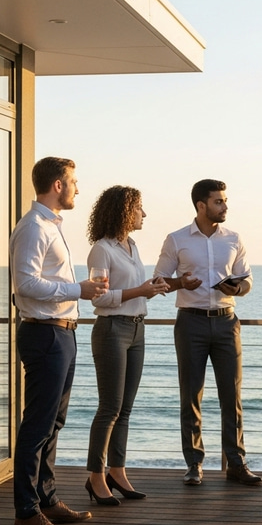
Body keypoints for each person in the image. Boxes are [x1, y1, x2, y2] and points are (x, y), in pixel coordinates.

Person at [9, 157, 107, 525]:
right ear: (57, 185)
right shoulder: (34, 227)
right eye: (74, 181)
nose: (78, 188)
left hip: (62, 333)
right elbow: (25, 284)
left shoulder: (50, 225)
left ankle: (46, 500)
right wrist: (77, 289)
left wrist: (78, 293)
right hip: (45, 334)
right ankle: (26, 512)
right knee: (37, 425)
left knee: (53, 423)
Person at [154, 179, 262, 486]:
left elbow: (247, 280)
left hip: (227, 322)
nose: (225, 206)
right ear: (201, 205)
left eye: (225, 200)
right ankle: (194, 464)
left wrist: (236, 288)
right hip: (191, 323)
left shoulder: (234, 238)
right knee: (191, 395)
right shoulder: (176, 239)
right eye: (218, 201)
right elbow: (158, 281)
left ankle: (236, 463)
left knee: (232, 396)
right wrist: (180, 283)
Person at [84, 186, 169, 505]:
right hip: (111, 330)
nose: (143, 214)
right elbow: (99, 297)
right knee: (109, 408)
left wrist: (152, 289)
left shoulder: (132, 246)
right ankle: (95, 477)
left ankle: (117, 472)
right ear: (123, 211)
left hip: (136, 329)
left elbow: (134, 291)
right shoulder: (101, 250)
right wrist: (140, 291)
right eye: (138, 208)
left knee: (125, 409)